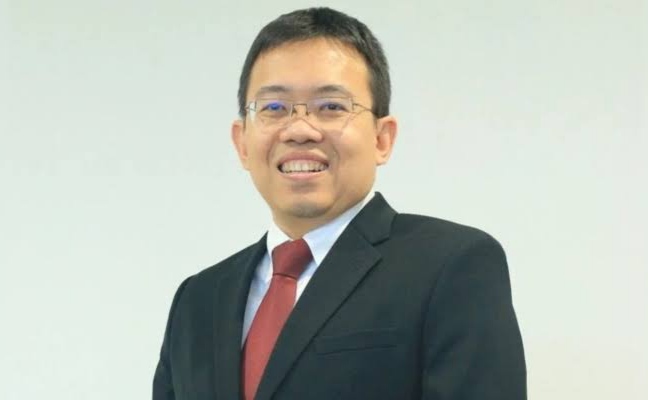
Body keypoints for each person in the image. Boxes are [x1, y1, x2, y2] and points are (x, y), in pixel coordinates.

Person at [153, 7, 526, 400]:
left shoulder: (450, 266)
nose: (299, 130)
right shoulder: (198, 300)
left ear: (382, 138)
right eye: (274, 108)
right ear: (242, 142)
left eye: (331, 106)